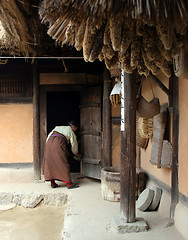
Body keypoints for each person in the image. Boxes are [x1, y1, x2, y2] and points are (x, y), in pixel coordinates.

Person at [43, 120, 81, 189]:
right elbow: (74, 144)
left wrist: (48, 147)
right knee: (63, 162)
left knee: (50, 162)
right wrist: (75, 153)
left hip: (49, 143)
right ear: (72, 127)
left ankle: (52, 183)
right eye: (76, 129)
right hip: (58, 143)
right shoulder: (71, 132)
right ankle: (69, 183)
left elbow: (48, 136)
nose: (76, 130)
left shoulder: (57, 127)